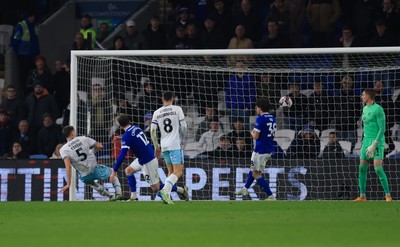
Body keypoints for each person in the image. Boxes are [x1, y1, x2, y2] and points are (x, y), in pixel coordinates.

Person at [110, 115, 188, 201]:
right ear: (129, 121)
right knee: (128, 171)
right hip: (144, 158)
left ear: (120, 125)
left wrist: (114, 171)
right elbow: (133, 137)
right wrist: (121, 137)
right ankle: (133, 197)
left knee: (155, 188)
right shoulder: (136, 128)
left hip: (147, 161)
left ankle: (182, 190)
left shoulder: (126, 136)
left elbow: (122, 155)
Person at [59, 126, 127, 201]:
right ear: (72, 133)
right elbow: (100, 146)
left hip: (85, 176)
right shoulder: (83, 138)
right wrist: (91, 152)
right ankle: (118, 194)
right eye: (74, 131)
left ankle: (110, 196)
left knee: (90, 183)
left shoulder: (63, 149)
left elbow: (68, 167)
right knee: (112, 172)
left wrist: (68, 184)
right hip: (95, 170)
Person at [353, 89, 392, 202]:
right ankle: (362, 196)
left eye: (363, 95)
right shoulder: (364, 108)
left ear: (369, 96)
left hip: (377, 141)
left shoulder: (378, 109)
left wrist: (374, 144)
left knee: (378, 169)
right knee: (361, 168)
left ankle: (388, 195)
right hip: (366, 141)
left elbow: (382, 128)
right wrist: (364, 142)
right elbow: (366, 127)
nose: (362, 96)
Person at [235, 98, 276, 200]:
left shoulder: (260, 119)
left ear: (260, 108)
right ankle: (245, 189)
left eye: (257, 107)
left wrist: (251, 132)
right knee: (253, 168)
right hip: (268, 148)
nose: (256, 109)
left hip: (260, 150)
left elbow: (256, 136)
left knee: (256, 173)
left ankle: (270, 196)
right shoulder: (272, 118)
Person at [151, 91, 188, 205]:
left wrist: (157, 145)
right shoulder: (177, 109)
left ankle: (166, 196)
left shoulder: (157, 112)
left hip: (164, 145)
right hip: (175, 144)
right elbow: (184, 126)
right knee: (179, 172)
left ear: (162, 99)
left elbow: (152, 130)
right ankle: (165, 191)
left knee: (171, 172)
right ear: (173, 99)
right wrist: (182, 138)